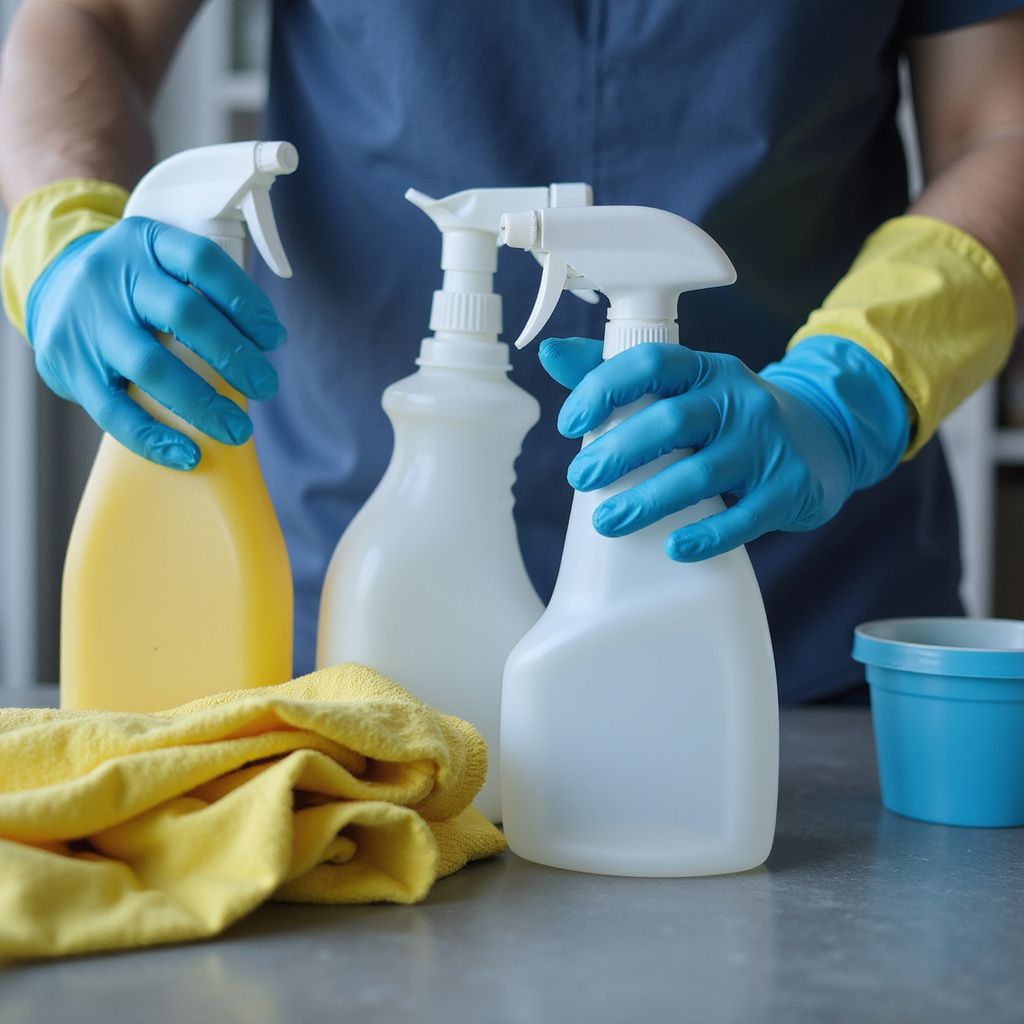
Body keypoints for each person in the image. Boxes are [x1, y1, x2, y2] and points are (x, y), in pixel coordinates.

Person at [2, 1, 1022, 702]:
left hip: (787, 608)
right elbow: (84, 17)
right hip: (353, 629)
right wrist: (68, 234)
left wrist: (848, 390)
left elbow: (998, 124)